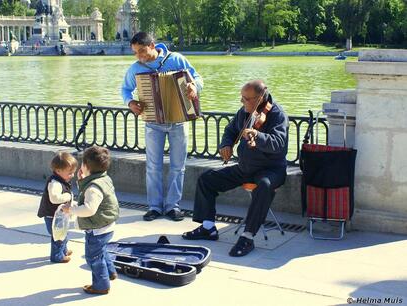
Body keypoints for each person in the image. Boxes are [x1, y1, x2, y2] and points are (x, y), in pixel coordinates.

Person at [182, 80, 288, 257]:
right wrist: (226, 144)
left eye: (246, 99)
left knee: (264, 185)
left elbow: (278, 143)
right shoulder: (245, 112)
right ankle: (208, 227)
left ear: (260, 97)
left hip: (271, 170)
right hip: (246, 168)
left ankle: (247, 237)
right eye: (242, 98)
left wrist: (258, 135)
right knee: (207, 179)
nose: (242, 102)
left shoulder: (277, 114)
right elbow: (231, 130)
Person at [121, 31, 203, 222]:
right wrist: (130, 102)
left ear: (152, 45)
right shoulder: (135, 69)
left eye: (142, 51)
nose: (139, 56)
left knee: (178, 167)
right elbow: (125, 89)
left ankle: (173, 207)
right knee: (153, 167)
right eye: (135, 53)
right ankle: (155, 207)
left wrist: (194, 87)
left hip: (178, 120)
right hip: (152, 123)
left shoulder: (176, 60)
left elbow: (198, 78)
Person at [62, 146, 119, 295]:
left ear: (86, 166)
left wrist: (71, 210)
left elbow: (89, 209)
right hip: (107, 224)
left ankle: (101, 285)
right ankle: (111, 273)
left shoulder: (93, 188)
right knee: (102, 251)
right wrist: (82, 180)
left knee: (93, 257)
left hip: (97, 228)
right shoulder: (103, 178)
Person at [37, 152, 77, 263]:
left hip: (59, 214)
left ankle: (63, 250)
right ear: (58, 171)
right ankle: (57, 256)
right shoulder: (55, 183)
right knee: (58, 236)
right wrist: (68, 196)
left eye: (73, 173)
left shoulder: (61, 180)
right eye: (70, 173)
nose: (72, 175)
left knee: (63, 233)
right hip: (52, 215)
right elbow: (54, 198)